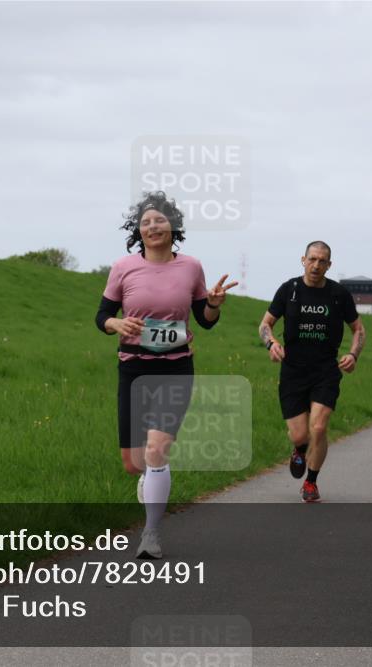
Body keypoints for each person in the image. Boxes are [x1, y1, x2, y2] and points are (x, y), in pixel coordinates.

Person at [96, 191, 236, 558]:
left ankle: (151, 534)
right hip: (133, 367)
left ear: (173, 226)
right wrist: (116, 323)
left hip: (176, 367)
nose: (153, 226)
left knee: (157, 449)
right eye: (146, 222)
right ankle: (150, 476)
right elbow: (102, 316)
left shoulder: (191, 267)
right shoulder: (123, 267)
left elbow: (205, 320)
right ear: (138, 230)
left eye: (159, 220)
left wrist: (214, 306)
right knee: (134, 462)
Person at [258, 241, 365, 503]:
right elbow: (265, 324)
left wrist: (353, 354)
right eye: (312, 259)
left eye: (322, 261)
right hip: (293, 371)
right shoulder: (289, 290)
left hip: (325, 371)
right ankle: (299, 448)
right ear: (303, 260)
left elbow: (358, 329)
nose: (316, 265)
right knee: (300, 435)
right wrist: (271, 343)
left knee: (318, 427)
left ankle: (311, 482)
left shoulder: (338, 294)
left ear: (329, 265)